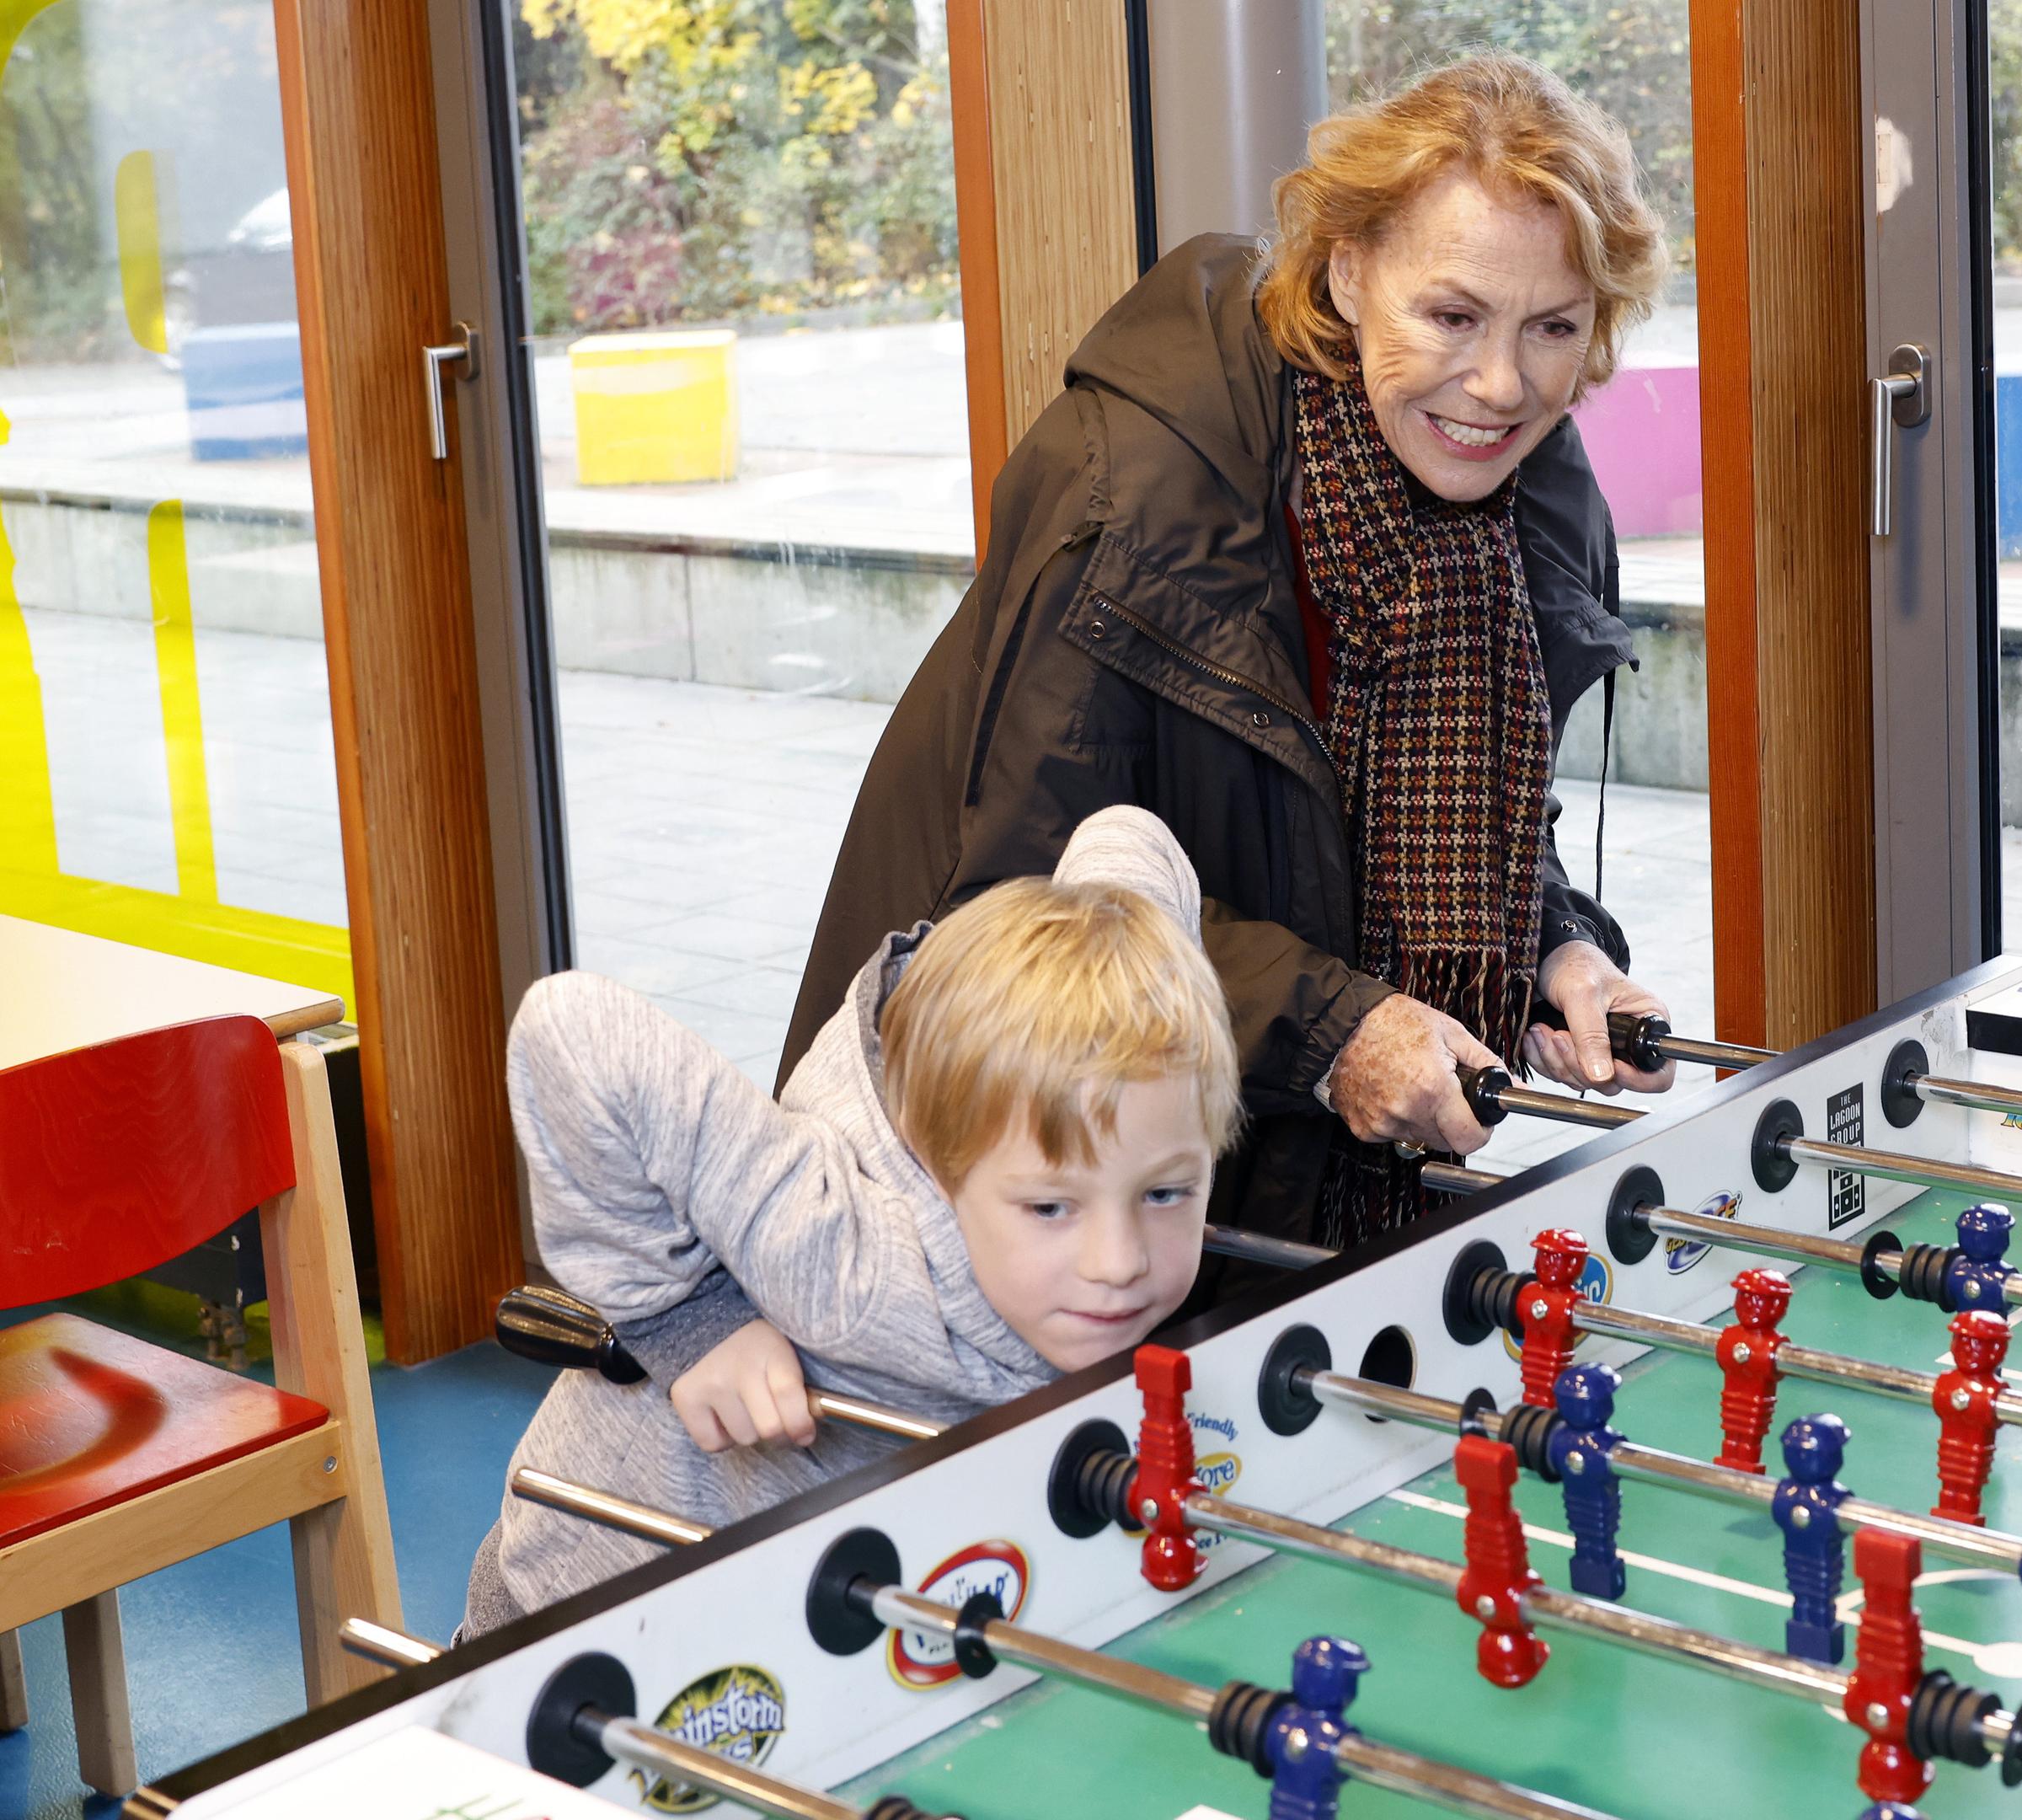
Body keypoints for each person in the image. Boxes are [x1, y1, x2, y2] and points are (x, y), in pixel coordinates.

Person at [782, 52, 1681, 1251]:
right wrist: (1332, 1033)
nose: (1501, 384)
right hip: (993, 1182)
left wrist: (1555, 951)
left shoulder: (1532, 487)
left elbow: (1432, 814)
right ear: (1350, 271)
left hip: (1263, 1184)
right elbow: (1017, 910)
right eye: (1452, 315)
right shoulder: (1132, 494)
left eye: (1554, 328)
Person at [463, 810, 1233, 1632]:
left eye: (1164, 1194)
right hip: (591, 1596)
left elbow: (1130, 833)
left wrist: (1128, 948)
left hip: (824, 1588)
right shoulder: (845, 1261)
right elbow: (574, 1031)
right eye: (1050, 1207)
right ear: (940, 1167)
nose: (1118, 1263)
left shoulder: (1148, 1067)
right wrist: (693, 1322)